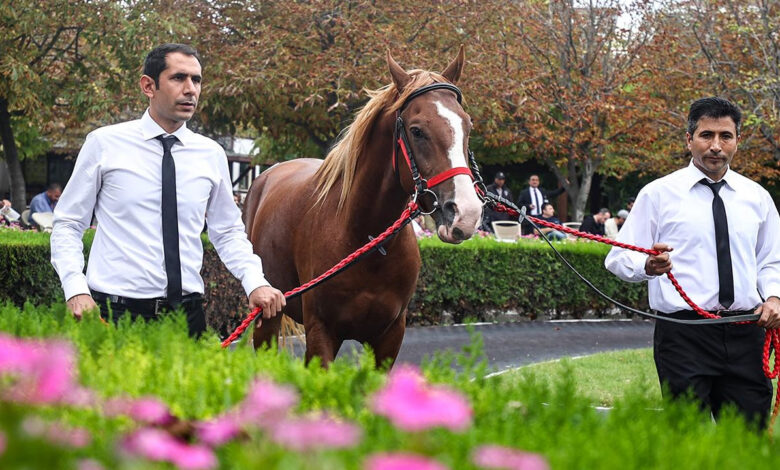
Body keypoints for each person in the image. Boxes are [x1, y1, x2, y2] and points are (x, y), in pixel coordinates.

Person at [50, 43, 286, 337]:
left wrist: (255, 281)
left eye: (196, 80)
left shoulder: (210, 154)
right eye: (178, 78)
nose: (191, 90)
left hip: (188, 317)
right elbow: (69, 223)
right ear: (148, 86)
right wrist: (75, 289)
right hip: (115, 314)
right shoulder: (104, 144)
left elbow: (227, 232)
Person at [605, 97, 780, 429]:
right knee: (687, 443)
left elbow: (772, 260)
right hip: (684, 336)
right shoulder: (657, 195)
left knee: (748, 444)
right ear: (689, 139)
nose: (715, 146)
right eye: (706, 135)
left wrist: (774, 297)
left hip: (747, 333)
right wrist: (647, 264)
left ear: (737, 141)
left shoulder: (757, 197)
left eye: (725, 136)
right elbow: (617, 257)